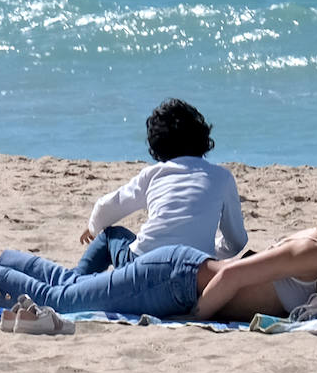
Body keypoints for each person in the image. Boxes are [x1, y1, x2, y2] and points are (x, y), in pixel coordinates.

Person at [0, 173, 317, 321]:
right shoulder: (316, 252)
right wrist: (194, 317)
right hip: (176, 279)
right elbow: (232, 275)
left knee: (69, 286)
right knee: (64, 303)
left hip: (176, 275)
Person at [71, 98, 248, 275]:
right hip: (194, 274)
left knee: (112, 235)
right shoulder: (222, 177)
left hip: (144, 266)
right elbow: (237, 241)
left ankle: (75, 282)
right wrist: (209, 249)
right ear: (202, 136)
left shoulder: (155, 173)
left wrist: (94, 227)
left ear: (157, 143)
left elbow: (107, 206)